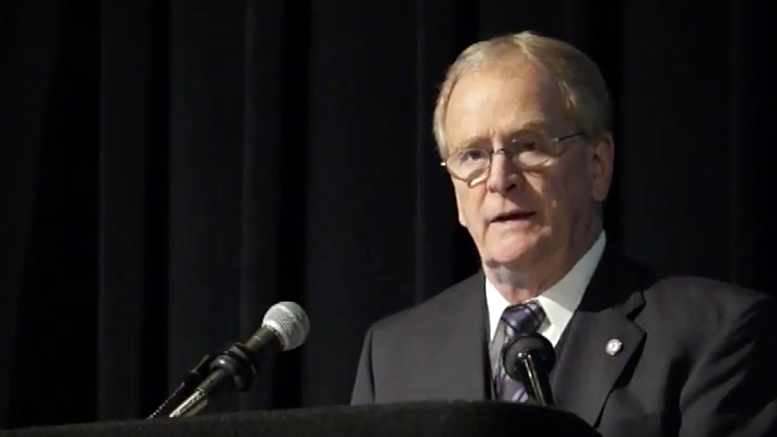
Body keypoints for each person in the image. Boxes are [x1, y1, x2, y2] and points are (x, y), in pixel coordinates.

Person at [349, 31, 777, 437]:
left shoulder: (713, 334)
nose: (500, 178)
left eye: (529, 145)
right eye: (474, 155)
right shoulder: (392, 356)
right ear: (456, 191)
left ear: (597, 165)